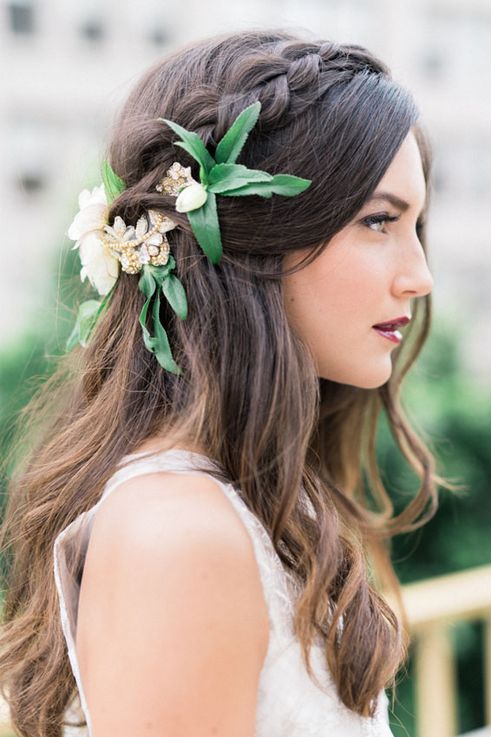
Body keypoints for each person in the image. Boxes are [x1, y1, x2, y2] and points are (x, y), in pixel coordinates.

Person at [0, 26, 446, 737]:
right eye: (379, 221)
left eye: (414, 224)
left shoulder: (254, 494)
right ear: (252, 233)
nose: (419, 275)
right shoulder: (177, 537)